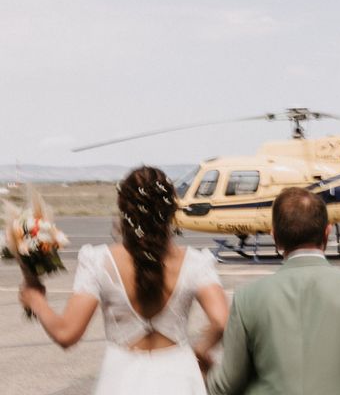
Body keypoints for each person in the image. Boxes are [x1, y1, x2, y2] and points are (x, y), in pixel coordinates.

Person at [20, 166, 228, 395]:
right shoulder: (195, 263)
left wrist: (36, 300)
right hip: (179, 377)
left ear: (123, 210)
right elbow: (222, 321)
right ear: (171, 210)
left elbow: (67, 334)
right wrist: (200, 351)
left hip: (121, 379)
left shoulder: (99, 261)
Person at [208, 187, 340, 395]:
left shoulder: (247, 298)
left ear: (275, 237)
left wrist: (199, 373)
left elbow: (228, 383)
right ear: (327, 232)